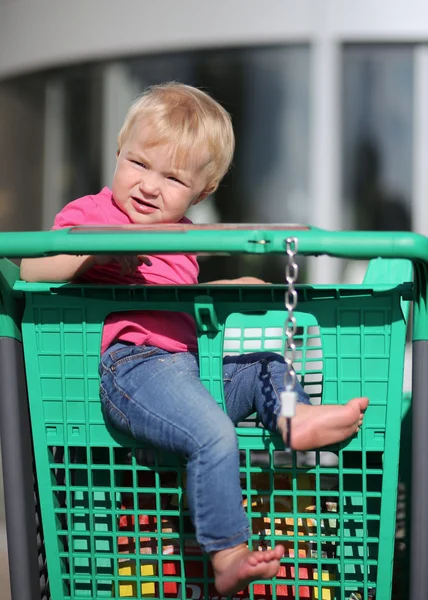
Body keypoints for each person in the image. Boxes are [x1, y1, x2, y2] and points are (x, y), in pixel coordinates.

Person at [20, 82, 368, 596]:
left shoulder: (181, 235)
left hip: (187, 370)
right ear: (118, 152)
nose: (149, 186)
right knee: (214, 435)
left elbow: (174, 295)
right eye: (138, 164)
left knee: (265, 363)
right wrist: (92, 252)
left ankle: (293, 417)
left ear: (199, 194)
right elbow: (32, 266)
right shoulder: (98, 215)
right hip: (132, 368)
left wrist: (228, 289)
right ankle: (227, 551)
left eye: (173, 177)